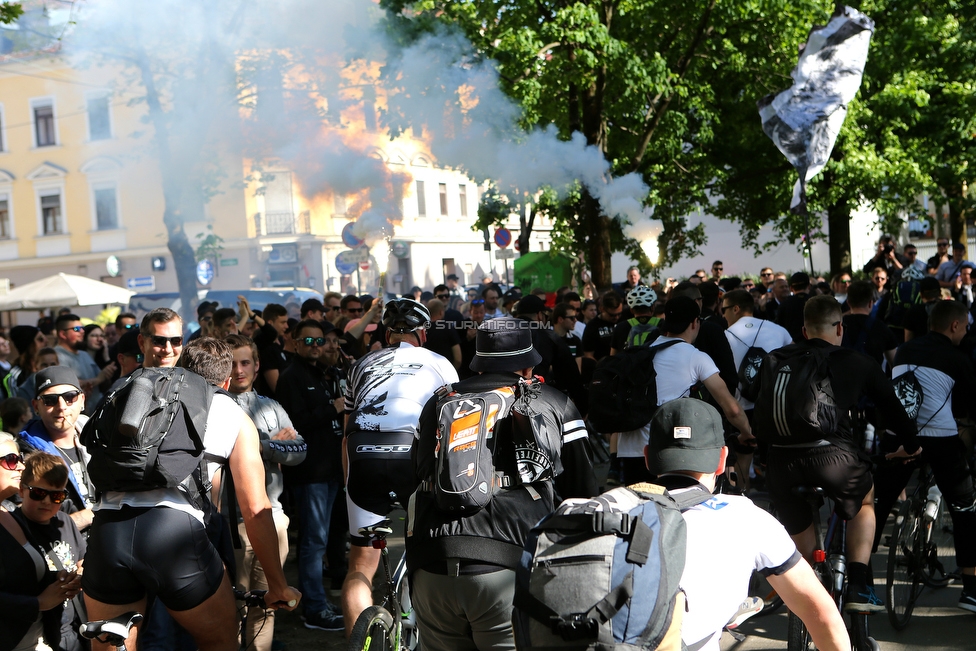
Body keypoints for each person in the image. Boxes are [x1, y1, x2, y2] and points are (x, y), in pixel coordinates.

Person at [82, 315, 301, 651]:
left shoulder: (131, 391)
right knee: (220, 640)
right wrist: (278, 585)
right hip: (172, 534)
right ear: (226, 383)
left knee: (109, 646)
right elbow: (256, 509)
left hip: (108, 530)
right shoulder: (231, 413)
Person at [408, 317, 597, 651]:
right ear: (528, 365)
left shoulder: (438, 403)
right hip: (506, 570)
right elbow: (583, 494)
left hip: (431, 564)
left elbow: (420, 473)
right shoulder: (554, 403)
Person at [753, 295, 921, 611]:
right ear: (839, 328)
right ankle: (859, 583)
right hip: (833, 461)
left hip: (780, 464)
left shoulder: (774, 359)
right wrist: (911, 447)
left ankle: (811, 589)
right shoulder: (856, 362)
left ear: (804, 330)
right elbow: (895, 412)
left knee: (806, 555)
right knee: (866, 499)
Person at [644, 399, 850, 651]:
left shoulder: (606, 508)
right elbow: (821, 612)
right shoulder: (746, 516)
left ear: (647, 457)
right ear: (722, 459)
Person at [341, 298, 458, 637]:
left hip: (361, 454)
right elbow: (448, 432)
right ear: (423, 332)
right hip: (412, 453)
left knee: (360, 566)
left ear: (387, 333)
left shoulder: (361, 364)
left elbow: (348, 431)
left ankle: (358, 643)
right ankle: (419, 624)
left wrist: (348, 483)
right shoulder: (441, 364)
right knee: (423, 550)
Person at [872, 300, 976, 611]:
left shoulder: (905, 350)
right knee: (966, 508)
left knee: (876, 505)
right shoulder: (958, 358)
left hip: (899, 438)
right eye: (966, 326)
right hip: (940, 442)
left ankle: (858, 581)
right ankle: (971, 589)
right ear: (954, 326)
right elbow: (966, 405)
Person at [225, 334, 308, 648]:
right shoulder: (213, 407)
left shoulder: (270, 406)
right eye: (232, 363)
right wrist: (275, 444)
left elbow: (300, 450)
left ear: (257, 366)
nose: (239, 369)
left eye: (245, 362)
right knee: (231, 608)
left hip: (274, 517)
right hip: (232, 523)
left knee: (269, 605)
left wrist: (261, 446)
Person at [615, 297, 753, 485]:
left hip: (630, 450)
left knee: (639, 511)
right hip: (666, 453)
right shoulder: (695, 357)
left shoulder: (642, 352)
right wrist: (746, 432)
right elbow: (732, 408)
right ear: (695, 323)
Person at [275, 320, 346, 632]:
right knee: (314, 543)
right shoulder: (291, 377)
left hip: (329, 470)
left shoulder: (321, 372)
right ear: (295, 341)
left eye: (320, 341)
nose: (316, 346)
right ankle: (314, 608)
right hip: (309, 474)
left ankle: (318, 603)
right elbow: (295, 424)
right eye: (309, 340)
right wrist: (333, 407)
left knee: (322, 540)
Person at [0, 435, 83, 651]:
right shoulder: (17, 516)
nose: (19, 465)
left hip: (42, 638)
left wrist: (70, 577)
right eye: (10, 460)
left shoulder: (6, 513)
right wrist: (39, 603)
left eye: (19, 458)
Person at [19, 367, 95, 533]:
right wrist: (92, 515)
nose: (61, 406)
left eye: (70, 397)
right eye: (50, 400)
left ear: (82, 400)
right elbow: (30, 521)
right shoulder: (26, 455)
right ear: (36, 406)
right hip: (64, 547)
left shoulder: (97, 437)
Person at [54, 314, 115, 411]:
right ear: (62, 334)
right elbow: (69, 384)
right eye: (77, 329)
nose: (82, 331)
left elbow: (102, 380)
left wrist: (107, 373)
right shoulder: (56, 356)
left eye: (82, 328)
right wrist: (99, 379)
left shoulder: (84, 354)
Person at [251, 303, 290, 397]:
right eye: (282, 322)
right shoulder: (267, 349)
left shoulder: (279, 343)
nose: (286, 326)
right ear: (270, 323)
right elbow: (277, 388)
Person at [609, 285, 659, 354]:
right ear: (652, 307)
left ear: (631, 310)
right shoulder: (662, 325)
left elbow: (613, 357)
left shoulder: (620, 328)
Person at [582, 291, 623, 361]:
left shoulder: (623, 320)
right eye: (612, 315)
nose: (616, 317)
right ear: (602, 309)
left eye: (619, 314)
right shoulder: (592, 326)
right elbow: (588, 355)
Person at [424, 298, 462, 370]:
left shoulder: (422, 330)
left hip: (428, 371)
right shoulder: (448, 328)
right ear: (441, 312)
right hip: (447, 371)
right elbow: (458, 359)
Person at [902, 276, 944, 341]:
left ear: (921, 294)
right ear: (940, 293)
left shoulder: (913, 311)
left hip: (919, 349)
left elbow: (908, 339)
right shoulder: (948, 309)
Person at [776, 272, 813, 343]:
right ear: (809, 286)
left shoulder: (784, 305)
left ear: (791, 288)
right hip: (814, 346)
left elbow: (780, 327)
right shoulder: (817, 303)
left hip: (792, 347)